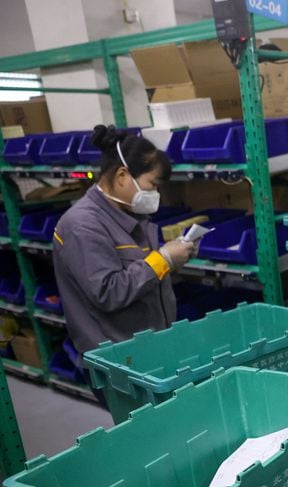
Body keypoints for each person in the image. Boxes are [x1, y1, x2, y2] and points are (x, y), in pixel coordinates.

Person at [52, 125, 197, 402]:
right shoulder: (83, 225)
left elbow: (139, 272)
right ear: (122, 176)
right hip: (118, 362)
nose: (157, 195)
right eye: (153, 185)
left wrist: (173, 257)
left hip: (147, 350)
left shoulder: (127, 211)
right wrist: (163, 259)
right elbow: (108, 292)